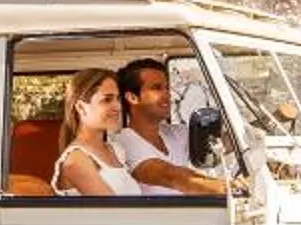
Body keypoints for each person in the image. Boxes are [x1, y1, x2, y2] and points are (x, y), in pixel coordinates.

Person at [112, 58, 228, 197]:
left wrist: (252, 132)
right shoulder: (124, 142)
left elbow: (222, 143)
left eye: (167, 88)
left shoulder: (175, 133)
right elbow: (172, 177)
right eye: (156, 88)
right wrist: (228, 188)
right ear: (132, 97)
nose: (167, 94)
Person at [50, 68, 143, 197]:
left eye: (117, 99)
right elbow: (116, 211)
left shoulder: (115, 150)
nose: (118, 107)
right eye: (107, 100)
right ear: (81, 107)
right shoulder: (76, 161)